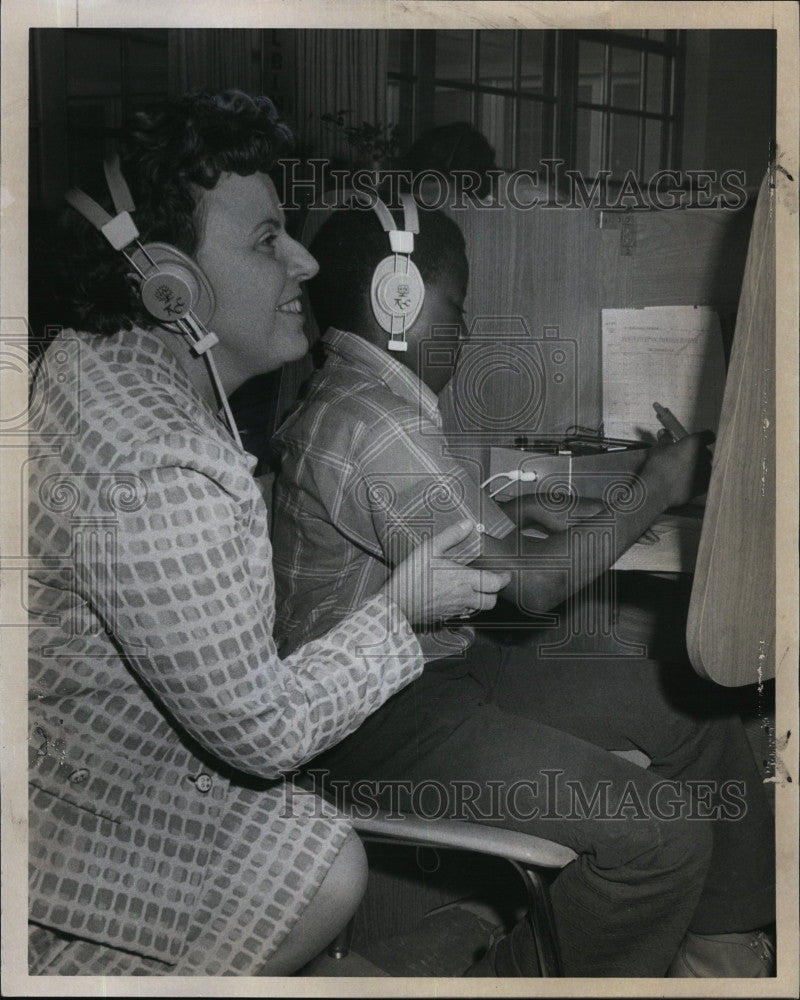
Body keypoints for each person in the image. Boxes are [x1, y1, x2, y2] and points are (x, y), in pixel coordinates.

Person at [26, 91, 509, 977]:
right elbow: (263, 732)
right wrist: (400, 613)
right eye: (265, 240)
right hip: (75, 831)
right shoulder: (165, 463)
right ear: (167, 283)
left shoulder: (88, 363)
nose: (305, 264)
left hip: (62, 774)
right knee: (324, 862)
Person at [270, 200, 776, 978]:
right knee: (662, 838)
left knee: (690, 704)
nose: (466, 332)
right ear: (396, 301)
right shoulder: (379, 422)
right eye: (457, 307)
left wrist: (502, 510)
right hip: (372, 724)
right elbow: (536, 588)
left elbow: (414, 538)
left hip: (434, 670)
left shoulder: (357, 394)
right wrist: (653, 489)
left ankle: (727, 945)